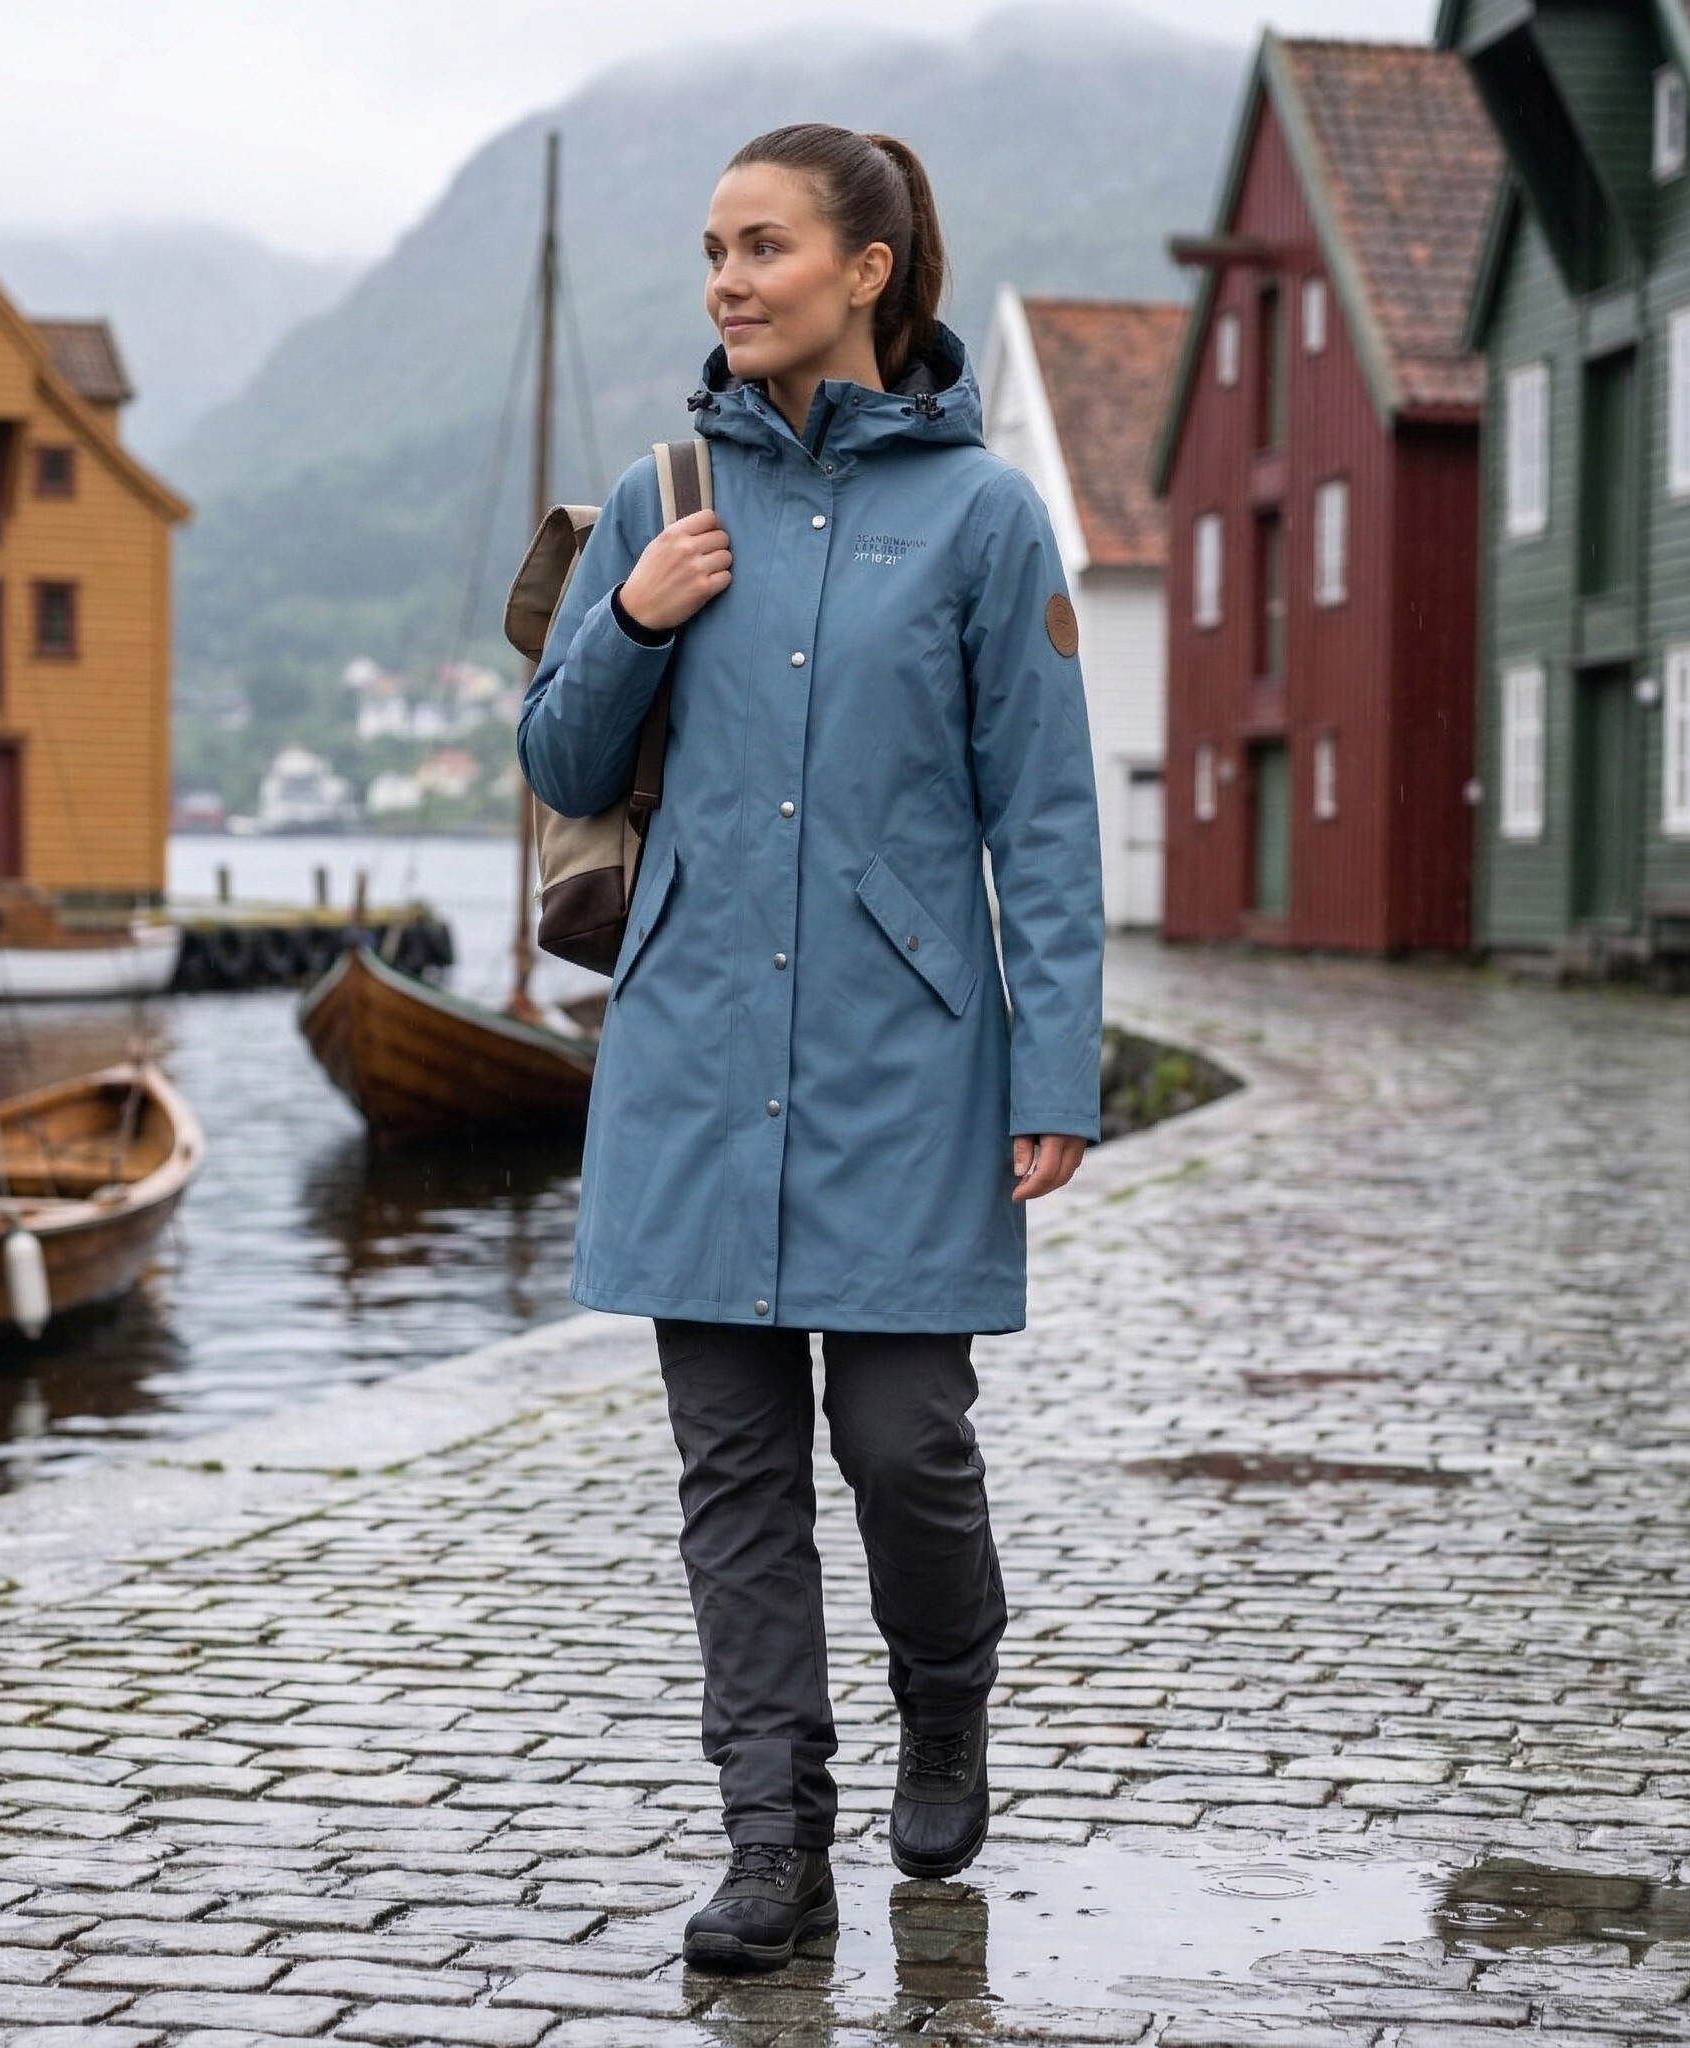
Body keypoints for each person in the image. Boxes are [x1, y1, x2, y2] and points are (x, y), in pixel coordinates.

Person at [517, 122, 1103, 1976]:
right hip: (694, 1050)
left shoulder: (989, 520)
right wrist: (630, 615)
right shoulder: (656, 495)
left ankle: (949, 1688)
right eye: (710, 248)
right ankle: (774, 1844)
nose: (726, 279)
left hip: (908, 1057)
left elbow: (1049, 817)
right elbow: (553, 762)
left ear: (868, 267)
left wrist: (1056, 1067)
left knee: (908, 1441)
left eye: (762, 244)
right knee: (734, 1473)